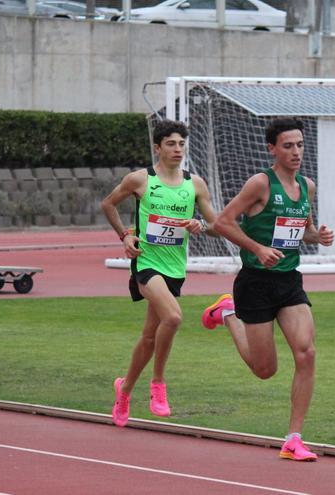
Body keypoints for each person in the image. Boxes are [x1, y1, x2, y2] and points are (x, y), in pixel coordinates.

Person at [201, 118, 334, 462]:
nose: (296, 152)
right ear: (272, 149)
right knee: (265, 370)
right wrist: (257, 248)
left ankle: (293, 438)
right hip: (255, 283)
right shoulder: (260, 184)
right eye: (288, 146)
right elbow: (222, 223)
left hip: (289, 282)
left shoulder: (307, 185)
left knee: (306, 354)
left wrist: (316, 236)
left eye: (300, 145)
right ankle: (228, 312)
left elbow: (300, 231)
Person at [101, 119, 218, 427]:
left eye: (181, 144)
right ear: (158, 147)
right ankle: (158, 385)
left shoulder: (195, 184)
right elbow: (109, 204)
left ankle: (124, 389)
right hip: (146, 263)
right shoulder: (141, 179)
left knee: (150, 336)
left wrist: (200, 226)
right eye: (171, 144)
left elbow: (216, 225)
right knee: (175, 317)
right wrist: (125, 235)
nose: (177, 149)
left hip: (175, 268)